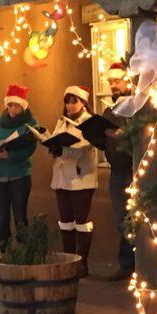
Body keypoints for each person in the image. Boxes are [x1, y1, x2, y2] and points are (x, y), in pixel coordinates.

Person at [92, 63, 135, 281]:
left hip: (134, 170)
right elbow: (105, 141)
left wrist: (120, 134)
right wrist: (96, 136)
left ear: (127, 80)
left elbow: (140, 134)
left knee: (136, 219)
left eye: (116, 81)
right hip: (116, 171)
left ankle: (141, 264)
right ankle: (127, 265)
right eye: (110, 82)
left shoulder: (136, 107)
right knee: (121, 220)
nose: (113, 85)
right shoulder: (109, 111)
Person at [50, 85, 98, 277]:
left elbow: (84, 145)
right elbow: (57, 139)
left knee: (81, 221)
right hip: (61, 178)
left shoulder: (90, 121)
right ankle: (69, 260)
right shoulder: (62, 120)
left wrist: (63, 150)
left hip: (81, 177)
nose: (70, 105)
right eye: (67, 101)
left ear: (83, 102)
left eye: (74, 101)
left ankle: (82, 262)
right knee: (65, 221)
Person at [0, 84, 38, 253]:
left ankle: (24, 252)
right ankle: (5, 252)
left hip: (19, 175)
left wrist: (10, 156)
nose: (12, 109)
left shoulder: (29, 124)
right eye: (9, 105)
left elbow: (30, 148)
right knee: (1, 217)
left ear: (23, 106)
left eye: (16, 105)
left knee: (20, 216)